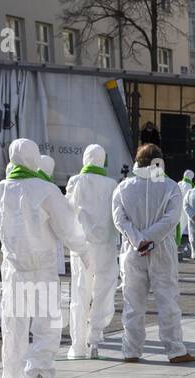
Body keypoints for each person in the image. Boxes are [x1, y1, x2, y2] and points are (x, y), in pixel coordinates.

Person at [0, 138, 90, 378]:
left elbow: (0, 227)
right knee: (45, 328)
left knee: (14, 330)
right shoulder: (45, 189)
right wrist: (82, 250)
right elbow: (67, 227)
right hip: (43, 269)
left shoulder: (2, 189)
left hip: (14, 271)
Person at [112, 144, 195, 364]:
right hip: (162, 250)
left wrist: (138, 240)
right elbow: (171, 220)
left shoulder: (123, 188)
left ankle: (131, 350)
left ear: (137, 162)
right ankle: (175, 350)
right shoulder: (170, 187)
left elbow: (119, 220)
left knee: (133, 303)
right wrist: (149, 239)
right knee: (167, 300)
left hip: (132, 251)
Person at [64, 144, 119, 360]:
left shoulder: (75, 181)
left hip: (82, 246)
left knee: (80, 292)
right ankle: (95, 337)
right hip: (105, 244)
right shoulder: (112, 184)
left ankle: (77, 346)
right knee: (104, 290)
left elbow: (68, 212)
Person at [177, 169, 195, 257]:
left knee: (176, 228)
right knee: (183, 228)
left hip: (176, 208)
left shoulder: (179, 183)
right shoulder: (189, 186)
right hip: (184, 211)